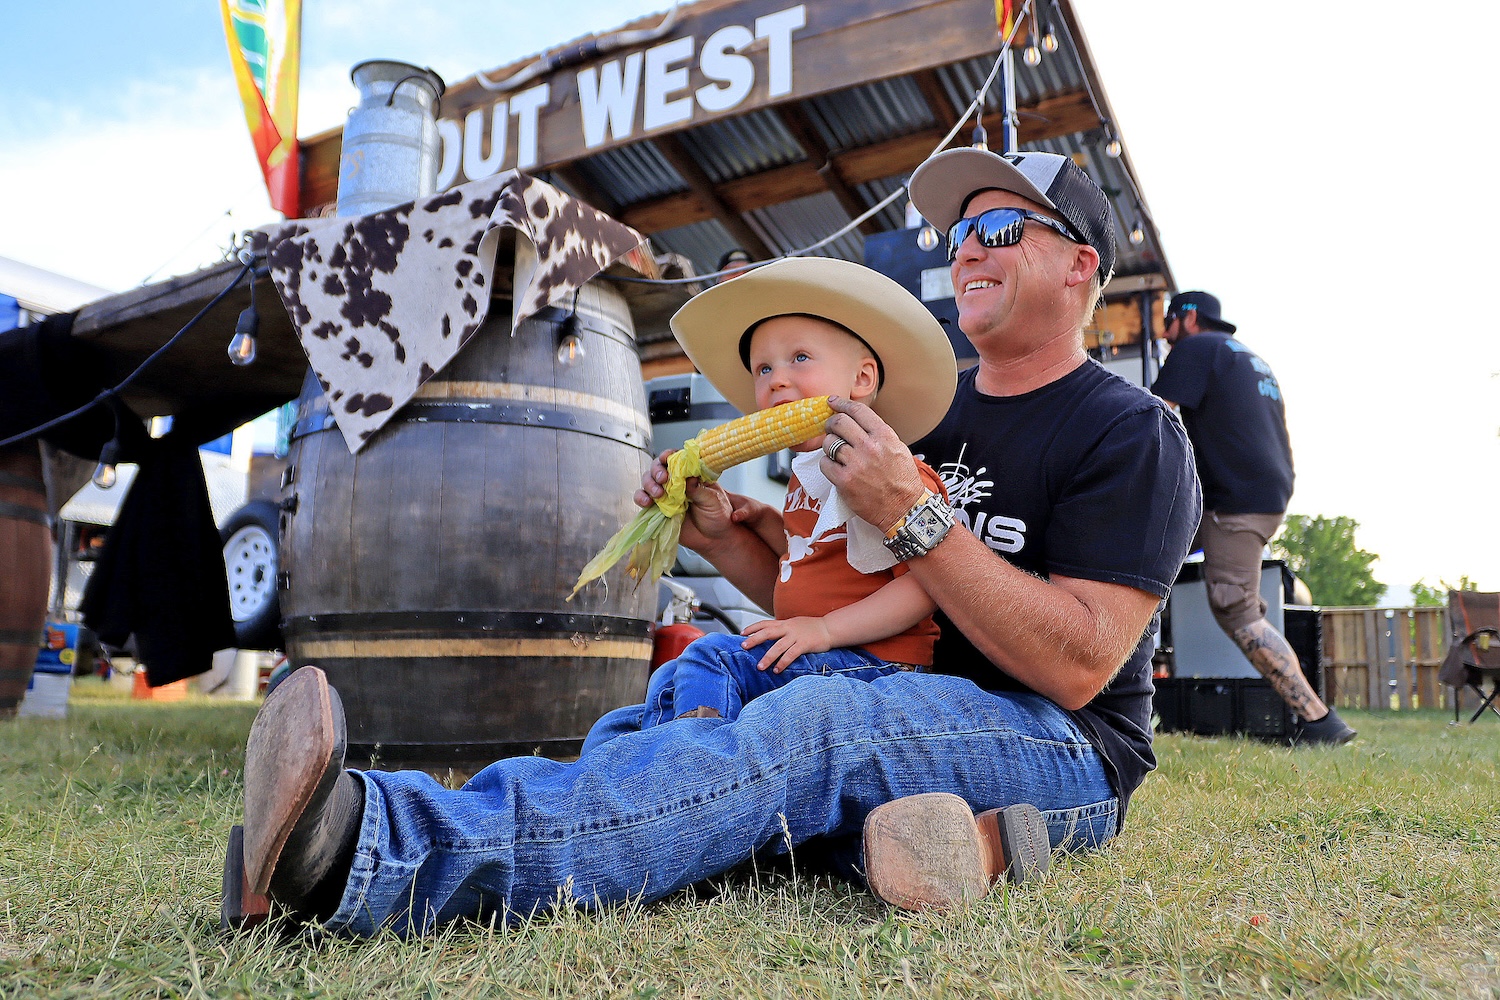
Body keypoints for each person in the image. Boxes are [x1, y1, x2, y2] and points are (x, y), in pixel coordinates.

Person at [223, 147, 1201, 935]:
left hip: (1059, 747)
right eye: (959, 232)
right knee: (682, 701)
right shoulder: (926, 429)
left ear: (1082, 264)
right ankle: (907, 840)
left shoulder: (1134, 434)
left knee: (817, 726)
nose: (967, 249)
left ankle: (371, 849)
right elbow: (807, 605)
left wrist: (916, 513)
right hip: (886, 684)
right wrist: (729, 541)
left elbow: (1077, 666)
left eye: (998, 227)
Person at [640, 256, 957, 727]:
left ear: (862, 379)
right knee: (665, 684)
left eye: (799, 358)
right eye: (762, 369)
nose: (776, 380)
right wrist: (760, 519)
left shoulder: (901, 478)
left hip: (879, 668)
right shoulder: (805, 473)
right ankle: (658, 778)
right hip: (826, 659)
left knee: (710, 656)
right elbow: (809, 552)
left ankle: (696, 780)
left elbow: (925, 588)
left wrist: (826, 629)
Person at [1151, 291, 1356, 744]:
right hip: (1259, 491)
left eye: (1168, 321)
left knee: (1234, 605)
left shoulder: (1196, 348)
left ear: (1188, 318)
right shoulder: (1248, 358)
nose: (1163, 335)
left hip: (1235, 500)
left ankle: (1321, 722)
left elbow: (1155, 420)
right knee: (1140, 556)